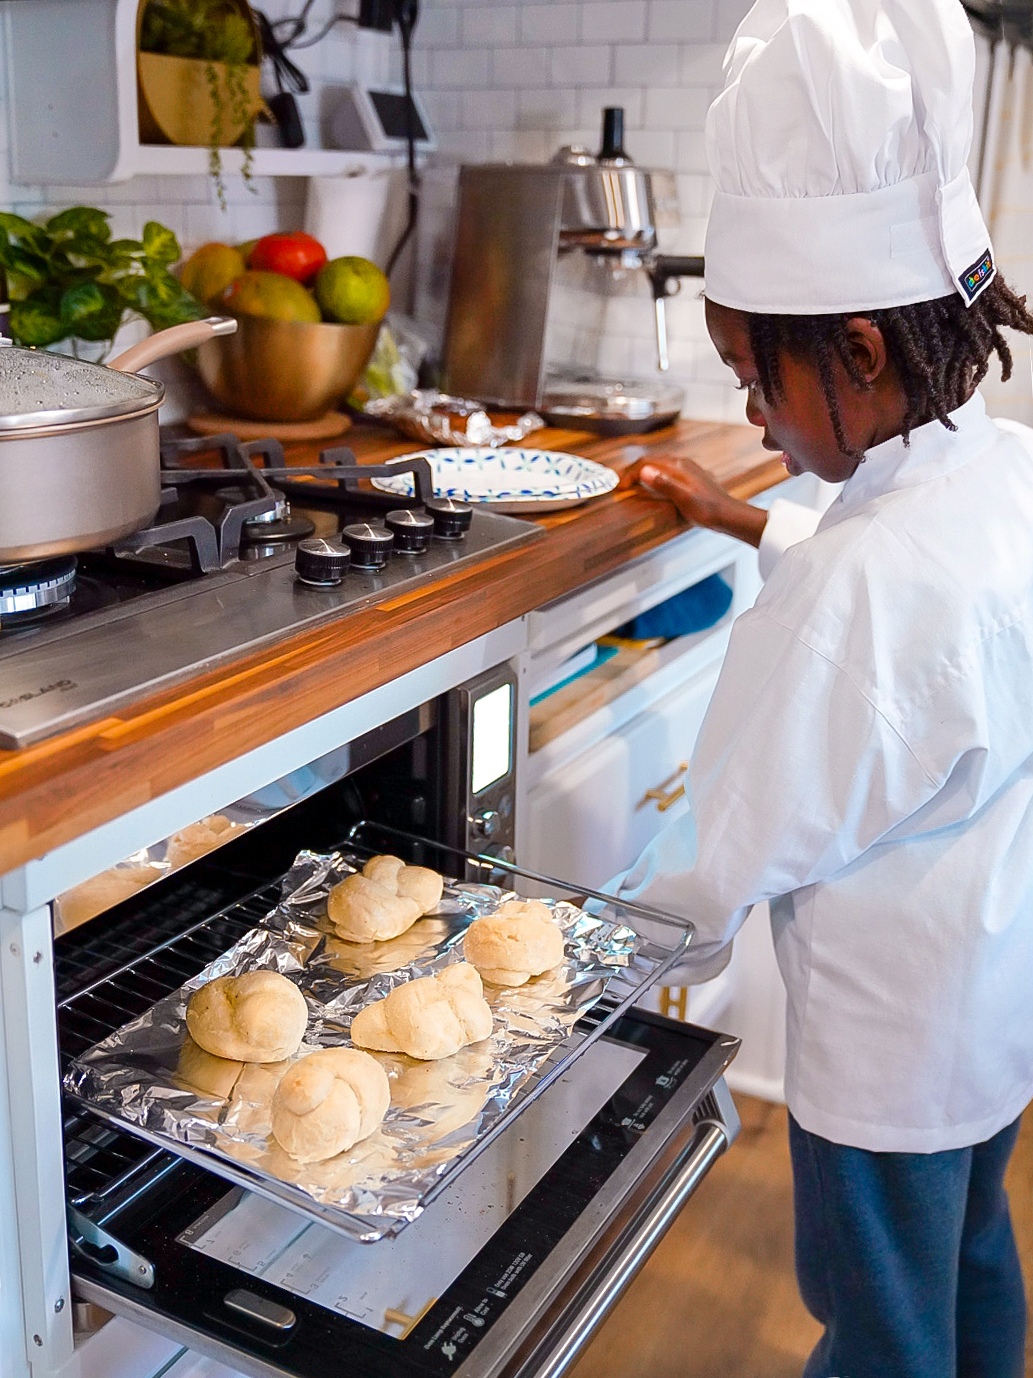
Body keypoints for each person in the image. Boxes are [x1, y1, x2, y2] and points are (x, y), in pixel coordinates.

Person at [612, 2, 1033, 1374]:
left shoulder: (852, 591)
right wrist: (742, 522)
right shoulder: (1007, 470)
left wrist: (593, 958)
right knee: (969, 1261)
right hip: (991, 1004)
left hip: (882, 1047)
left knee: (875, 1321)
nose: (749, 417)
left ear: (856, 349)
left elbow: (736, 837)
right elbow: (932, 640)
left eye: (754, 376)